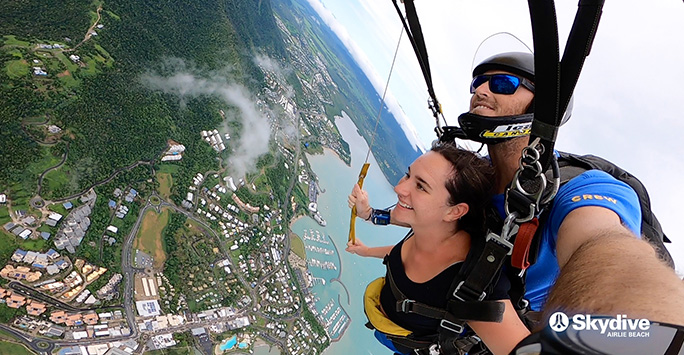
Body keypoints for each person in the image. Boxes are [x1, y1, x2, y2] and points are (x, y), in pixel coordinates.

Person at [354, 51, 684, 339]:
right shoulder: (475, 177)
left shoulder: (578, 191)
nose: (480, 91)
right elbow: (433, 217)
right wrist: (372, 216)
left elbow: (602, 248)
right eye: (478, 83)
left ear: (539, 106)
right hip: (420, 324)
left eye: (502, 84)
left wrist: (645, 334)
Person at [347, 144, 531, 355]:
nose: (399, 188)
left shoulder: (475, 284)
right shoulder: (429, 226)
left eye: (421, 187)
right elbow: (402, 254)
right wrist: (367, 243)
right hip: (393, 334)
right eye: (408, 175)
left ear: (455, 211)